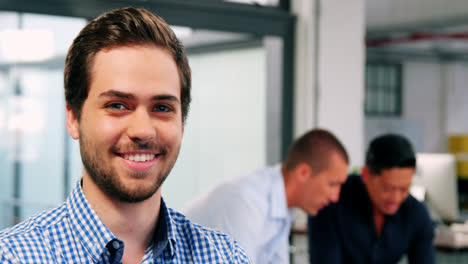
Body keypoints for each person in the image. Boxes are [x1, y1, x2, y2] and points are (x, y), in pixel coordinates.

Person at [0, 7, 250, 264]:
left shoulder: (224, 256)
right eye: (117, 105)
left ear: (182, 125)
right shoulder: (13, 256)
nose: (142, 130)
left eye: (162, 108)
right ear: (73, 118)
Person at [183, 128, 349, 264]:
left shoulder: (281, 210)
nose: (335, 197)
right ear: (303, 173)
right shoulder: (247, 202)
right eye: (332, 184)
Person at [308, 134, 435, 264]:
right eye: (388, 189)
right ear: (366, 175)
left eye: (404, 189)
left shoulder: (416, 213)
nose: (396, 198)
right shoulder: (331, 202)